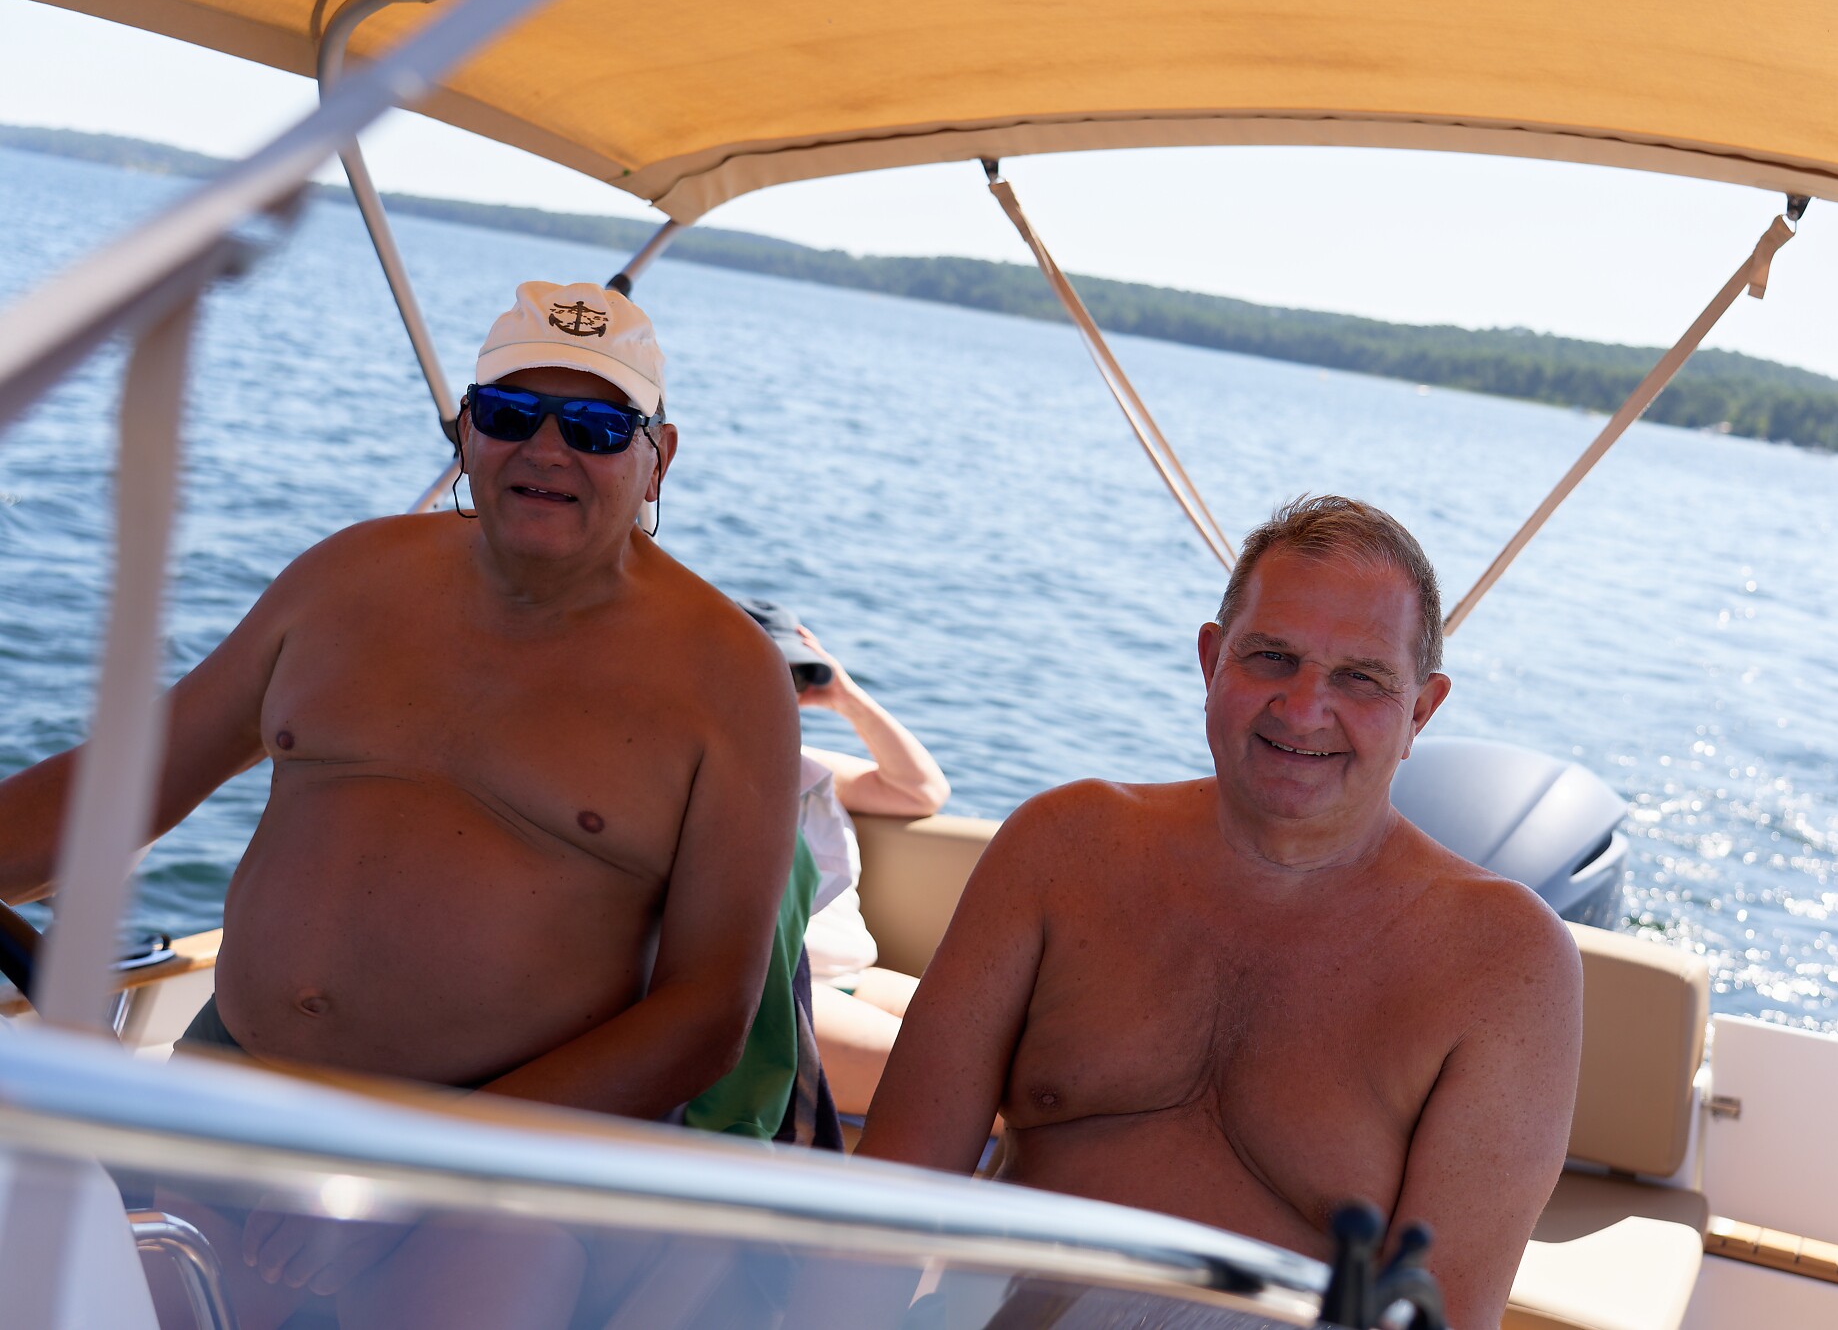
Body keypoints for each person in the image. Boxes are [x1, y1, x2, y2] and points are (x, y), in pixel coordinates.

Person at [0, 281, 802, 1329]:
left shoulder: (730, 682)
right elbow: (122, 788)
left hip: (490, 1173)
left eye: (598, 428)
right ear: (465, 430)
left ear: (659, 458)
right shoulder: (343, 579)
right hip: (230, 1097)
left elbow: (706, 1015)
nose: (547, 450)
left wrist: (409, 1171)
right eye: (510, 414)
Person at [859, 494, 1584, 1330]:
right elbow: (885, 1206)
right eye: (1272, 657)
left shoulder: (1501, 962)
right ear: (1212, 662)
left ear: (1420, 709)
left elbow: (1439, 1315)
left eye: (1360, 677)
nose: (1304, 708)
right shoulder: (1061, 849)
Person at [735, 598, 951, 1117]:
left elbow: (920, 791)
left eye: (792, 676)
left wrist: (846, 697)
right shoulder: (695, 769)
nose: (780, 691)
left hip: (855, 977)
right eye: (762, 671)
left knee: (1032, 1054)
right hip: (783, 996)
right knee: (987, 1090)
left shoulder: (807, 766)